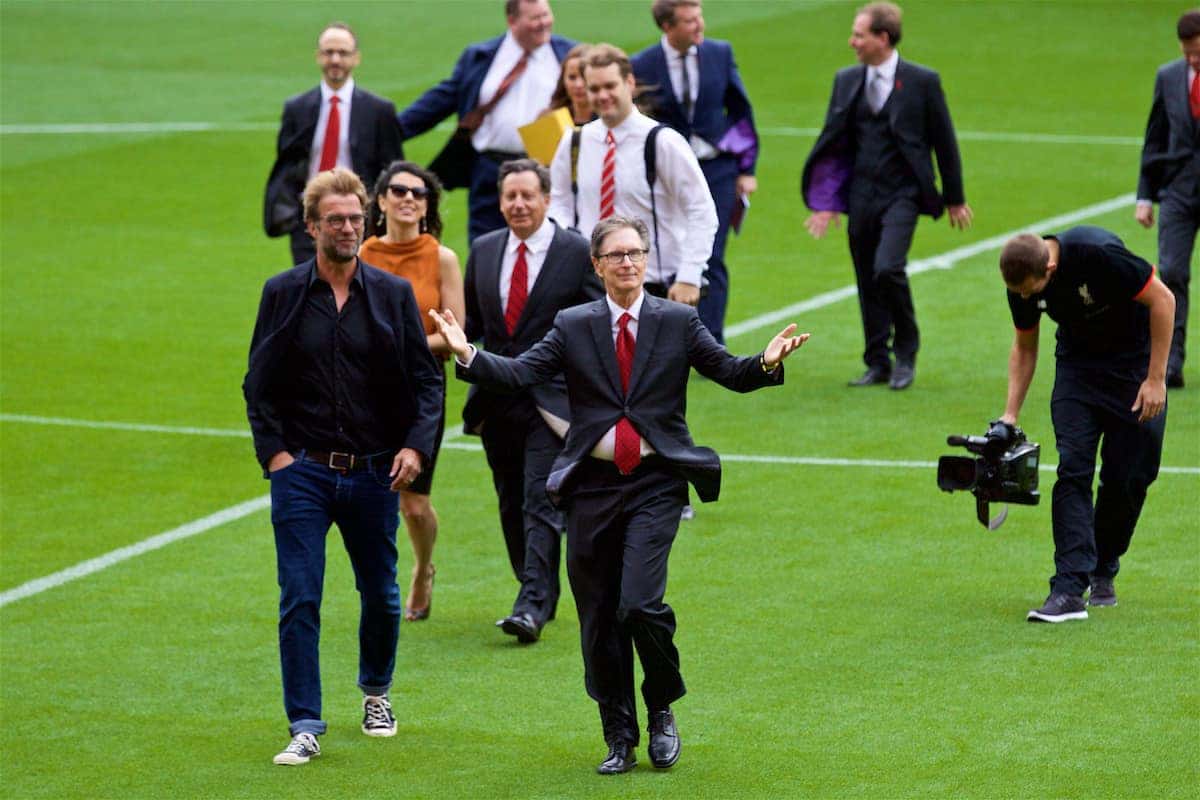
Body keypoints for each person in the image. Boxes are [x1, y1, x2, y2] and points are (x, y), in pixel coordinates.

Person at [430, 216, 809, 773]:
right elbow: (520, 373)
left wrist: (766, 362)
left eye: (636, 253)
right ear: (597, 265)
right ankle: (618, 733)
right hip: (592, 487)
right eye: (617, 255)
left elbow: (728, 370)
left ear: (646, 261)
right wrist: (469, 354)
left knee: (639, 604)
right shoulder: (573, 324)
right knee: (599, 616)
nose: (628, 263)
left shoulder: (678, 321)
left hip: (656, 484)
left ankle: (660, 709)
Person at [244, 168, 444, 764]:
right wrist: (276, 456)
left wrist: (415, 447)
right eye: (337, 220)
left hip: (373, 471)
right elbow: (259, 383)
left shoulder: (390, 294)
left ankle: (376, 691)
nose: (350, 228)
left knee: (380, 593)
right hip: (301, 470)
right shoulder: (283, 292)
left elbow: (425, 380)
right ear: (312, 228)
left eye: (357, 218)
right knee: (300, 596)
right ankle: (304, 722)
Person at [996, 228, 1174, 623]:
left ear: (1052, 266)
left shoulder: (1098, 254)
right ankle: (1068, 589)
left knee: (1128, 477)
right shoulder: (1020, 280)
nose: (1025, 298)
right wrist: (1010, 415)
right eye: (1019, 292)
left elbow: (1163, 298)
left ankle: (1103, 566)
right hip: (1078, 370)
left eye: (1031, 290)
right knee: (1073, 469)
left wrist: (1155, 379)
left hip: (1134, 365)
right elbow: (1025, 347)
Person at [461, 159, 603, 643]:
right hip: (497, 398)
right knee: (508, 500)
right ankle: (535, 586)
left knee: (540, 498)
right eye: (509, 197)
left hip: (552, 402)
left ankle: (531, 605)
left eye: (527, 195)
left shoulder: (576, 251)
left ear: (546, 198)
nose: (518, 204)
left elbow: (596, 325)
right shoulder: (483, 250)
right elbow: (475, 326)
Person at [801, 2, 971, 390]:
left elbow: (944, 141)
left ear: (883, 38)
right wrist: (826, 201)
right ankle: (877, 361)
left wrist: (954, 197)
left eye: (859, 35)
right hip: (861, 193)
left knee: (887, 268)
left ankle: (906, 351)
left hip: (904, 193)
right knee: (866, 277)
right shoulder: (846, 80)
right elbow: (834, 143)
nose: (852, 42)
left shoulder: (923, 81)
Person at [359, 161, 465, 622]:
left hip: (421, 388)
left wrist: (406, 346)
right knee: (369, 494)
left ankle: (423, 567)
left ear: (427, 206)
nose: (408, 199)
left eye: (418, 194)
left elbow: (455, 331)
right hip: (366, 388)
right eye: (398, 191)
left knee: (414, 503)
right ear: (380, 202)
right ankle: (380, 583)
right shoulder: (362, 253)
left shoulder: (441, 257)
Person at [549, 43, 718, 310]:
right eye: (594, 89)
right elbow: (559, 201)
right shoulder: (575, 140)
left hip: (652, 287)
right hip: (590, 288)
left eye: (610, 86)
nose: (603, 95)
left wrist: (689, 275)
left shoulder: (662, 142)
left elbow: (701, 210)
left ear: (629, 83)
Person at [632, 0, 759, 343]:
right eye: (689, 21)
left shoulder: (720, 52)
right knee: (666, 251)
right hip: (666, 173)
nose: (698, 25)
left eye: (699, 17)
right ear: (667, 27)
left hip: (716, 168)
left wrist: (747, 168)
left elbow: (741, 109)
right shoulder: (642, 64)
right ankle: (665, 338)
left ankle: (710, 341)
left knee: (712, 253)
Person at [397, 0, 574, 242]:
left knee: (545, 247)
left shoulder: (568, 56)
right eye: (535, 18)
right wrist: (392, 127)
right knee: (485, 245)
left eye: (546, 15)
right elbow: (443, 98)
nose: (543, 23)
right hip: (490, 171)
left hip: (545, 171)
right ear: (512, 21)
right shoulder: (481, 56)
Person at [263, 22, 404, 265]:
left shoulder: (378, 110)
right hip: (310, 220)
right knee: (311, 290)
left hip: (359, 221)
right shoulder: (297, 109)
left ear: (356, 58)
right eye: (329, 52)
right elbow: (287, 165)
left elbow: (391, 171)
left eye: (343, 53)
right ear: (318, 56)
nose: (335, 59)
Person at [1135, 9, 1200, 390]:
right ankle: (1170, 362)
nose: (1193, 60)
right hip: (1177, 190)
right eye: (1188, 53)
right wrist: (1145, 195)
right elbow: (1154, 136)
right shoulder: (1169, 77)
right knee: (1172, 272)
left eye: (1198, 53)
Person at [546, 43, 595, 125]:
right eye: (572, 77)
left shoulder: (611, 122)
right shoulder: (550, 119)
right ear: (563, 79)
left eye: (584, 77)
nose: (578, 85)